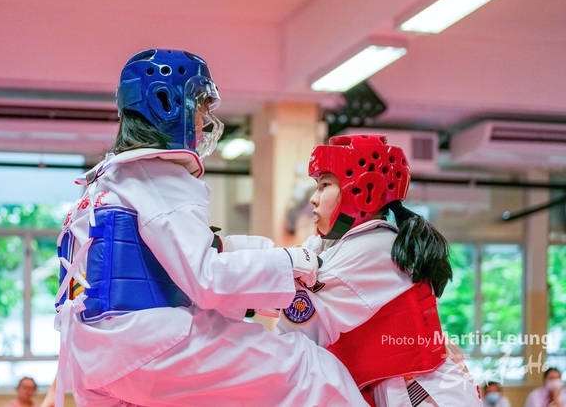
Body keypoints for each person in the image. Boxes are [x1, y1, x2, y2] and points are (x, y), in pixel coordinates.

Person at [53, 48, 368, 407]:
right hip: (147, 347)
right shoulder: (159, 174)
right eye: (201, 106)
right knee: (312, 369)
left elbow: (162, 268)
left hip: (91, 357)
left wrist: (264, 268)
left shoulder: (104, 185)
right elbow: (206, 278)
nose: (204, 120)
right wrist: (290, 263)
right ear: (166, 103)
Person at [274, 134, 482, 407]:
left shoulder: (372, 247)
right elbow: (290, 268)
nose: (314, 199)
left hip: (424, 395)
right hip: (406, 390)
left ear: (366, 189)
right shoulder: (351, 243)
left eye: (325, 185)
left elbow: (297, 322)